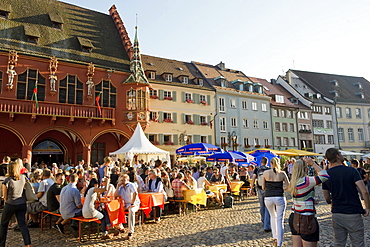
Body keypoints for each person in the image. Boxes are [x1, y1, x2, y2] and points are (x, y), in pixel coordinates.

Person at [322, 148, 370, 247]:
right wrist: (367, 207)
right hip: (353, 212)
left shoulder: (326, 175)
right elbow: (364, 191)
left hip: (337, 212)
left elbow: (326, 197)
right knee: (358, 243)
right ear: (337, 156)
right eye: (340, 153)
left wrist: (334, 199)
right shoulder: (352, 171)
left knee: (339, 243)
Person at [289, 158, 329, 247]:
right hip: (306, 218)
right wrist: (313, 164)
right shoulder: (306, 181)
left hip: (294, 215)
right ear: (304, 169)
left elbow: (300, 196)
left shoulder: (293, 181)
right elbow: (325, 176)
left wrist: (310, 199)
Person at [0, 161, 32, 247]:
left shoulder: (7, 181)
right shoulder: (23, 178)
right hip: (21, 203)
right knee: (22, 224)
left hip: (11, 203)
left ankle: (2, 243)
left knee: (3, 224)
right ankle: (28, 243)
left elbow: (4, 196)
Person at [262, 157, 290, 247]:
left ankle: (275, 237)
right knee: (280, 219)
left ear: (270, 163)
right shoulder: (282, 173)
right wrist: (282, 189)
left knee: (272, 216)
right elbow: (289, 186)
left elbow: (263, 187)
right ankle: (279, 243)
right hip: (279, 197)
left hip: (268, 197)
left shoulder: (265, 173)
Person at [115, 174, 140, 240]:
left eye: (124, 180)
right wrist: (117, 186)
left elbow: (135, 193)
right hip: (125, 204)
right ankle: (119, 227)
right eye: (121, 180)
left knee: (131, 211)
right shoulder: (120, 187)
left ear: (128, 180)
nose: (122, 181)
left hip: (133, 203)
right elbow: (116, 195)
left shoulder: (131, 185)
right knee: (113, 210)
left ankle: (130, 232)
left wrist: (132, 203)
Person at [251, 157, 271, 232]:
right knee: (267, 206)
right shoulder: (268, 169)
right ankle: (267, 222)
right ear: (267, 162)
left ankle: (263, 219)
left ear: (261, 162)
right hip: (267, 189)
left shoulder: (257, 169)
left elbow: (253, 178)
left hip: (259, 189)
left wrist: (251, 188)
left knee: (262, 205)